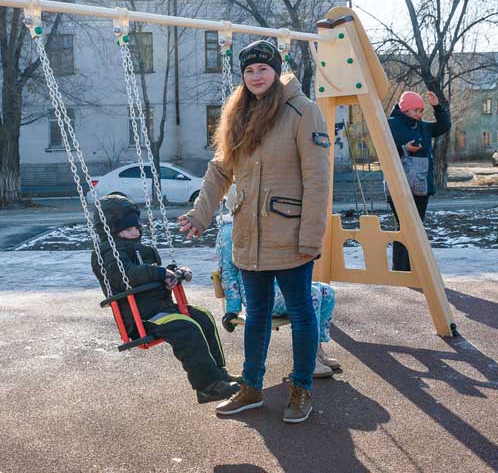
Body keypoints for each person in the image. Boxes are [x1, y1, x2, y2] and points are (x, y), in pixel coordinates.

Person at [178, 40, 331, 424]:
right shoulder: (238, 114)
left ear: (276, 71)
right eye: (249, 71)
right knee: (257, 313)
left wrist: (311, 238)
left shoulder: (302, 111)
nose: (256, 76)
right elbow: (220, 170)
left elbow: (317, 180)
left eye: (263, 69)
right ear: (243, 77)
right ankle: (251, 387)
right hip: (249, 234)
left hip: (290, 235)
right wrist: (200, 214)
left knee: (300, 311)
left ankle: (301, 387)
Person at [91, 193, 240, 404]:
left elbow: (155, 271)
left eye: (136, 228)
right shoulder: (106, 253)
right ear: (113, 231)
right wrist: (161, 274)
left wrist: (175, 273)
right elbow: (128, 274)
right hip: (141, 318)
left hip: (162, 308)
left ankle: (218, 373)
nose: (135, 233)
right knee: (186, 328)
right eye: (128, 229)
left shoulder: (143, 249)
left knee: (203, 317)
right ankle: (206, 386)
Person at [215, 191, 340, 378]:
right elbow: (228, 273)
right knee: (312, 295)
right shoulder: (229, 231)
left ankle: (315, 350)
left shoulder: (260, 223)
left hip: (277, 285)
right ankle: (308, 361)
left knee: (326, 292)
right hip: (258, 294)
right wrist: (232, 309)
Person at [386, 91, 451, 271]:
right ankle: (401, 269)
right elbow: (382, 150)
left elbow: (444, 126)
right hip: (398, 182)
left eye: (421, 110)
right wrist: (404, 149)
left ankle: (414, 268)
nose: (419, 114)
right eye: (415, 110)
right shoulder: (390, 124)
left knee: (417, 226)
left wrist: (437, 107)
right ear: (405, 108)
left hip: (422, 183)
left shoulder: (423, 127)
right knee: (404, 225)